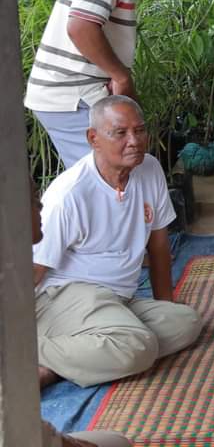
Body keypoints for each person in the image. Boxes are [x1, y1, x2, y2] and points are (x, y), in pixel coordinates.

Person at [33, 96, 201, 389]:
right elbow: (33, 270)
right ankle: (25, 349)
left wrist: (165, 304)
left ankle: (64, 363)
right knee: (137, 347)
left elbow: (159, 248)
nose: (134, 141)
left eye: (140, 130)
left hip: (118, 297)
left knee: (185, 322)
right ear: (93, 139)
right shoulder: (70, 194)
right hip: (65, 295)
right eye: (120, 133)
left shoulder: (150, 169)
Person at [25, 0, 181, 169]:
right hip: (72, 95)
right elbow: (81, 26)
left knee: (109, 176)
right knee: (108, 176)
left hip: (72, 92)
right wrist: (120, 75)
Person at [27, 181, 135, 447]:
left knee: (179, 322)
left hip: (105, 303)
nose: (41, 204)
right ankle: (38, 356)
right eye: (33, 198)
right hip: (67, 306)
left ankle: (62, 361)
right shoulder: (69, 194)